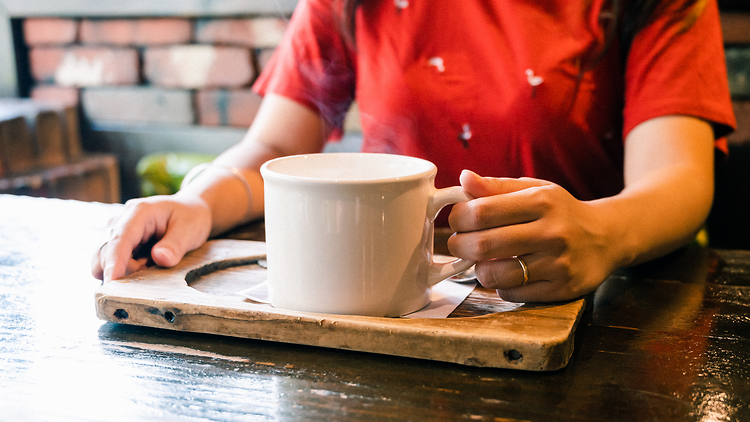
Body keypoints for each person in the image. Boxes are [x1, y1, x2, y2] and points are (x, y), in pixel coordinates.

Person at [92, 0, 736, 303]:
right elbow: (275, 147)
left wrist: (604, 234)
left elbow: (679, 177)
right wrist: (196, 202)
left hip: (594, 304)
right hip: (393, 309)